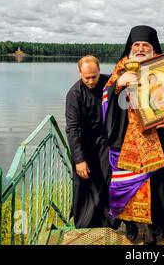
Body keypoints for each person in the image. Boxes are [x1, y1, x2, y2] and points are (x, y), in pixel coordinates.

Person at [102, 25, 164, 245]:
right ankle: (131, 225)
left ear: (153, 48)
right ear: (131, 48)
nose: (141, 49)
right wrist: (118, 86)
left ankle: (155, 230)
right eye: (137, 45)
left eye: (145, 45)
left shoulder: (163, 68)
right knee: (126, 190)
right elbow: (105, 101)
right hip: (124, 143)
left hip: (156, 141)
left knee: (156, 189)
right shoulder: (120, 70)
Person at [65, 55, 115, 228]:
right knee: (83, 186)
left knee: (108, 183)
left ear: (99, 71)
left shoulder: (109, 83)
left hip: (106, 143)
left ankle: (108, 223)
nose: (92, 81)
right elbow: (72, 129)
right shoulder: (74, 94)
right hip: (84, 144)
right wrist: (79, 160)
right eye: (87, 77)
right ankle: (83, 226)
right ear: (80, 73)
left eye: (94, 76)